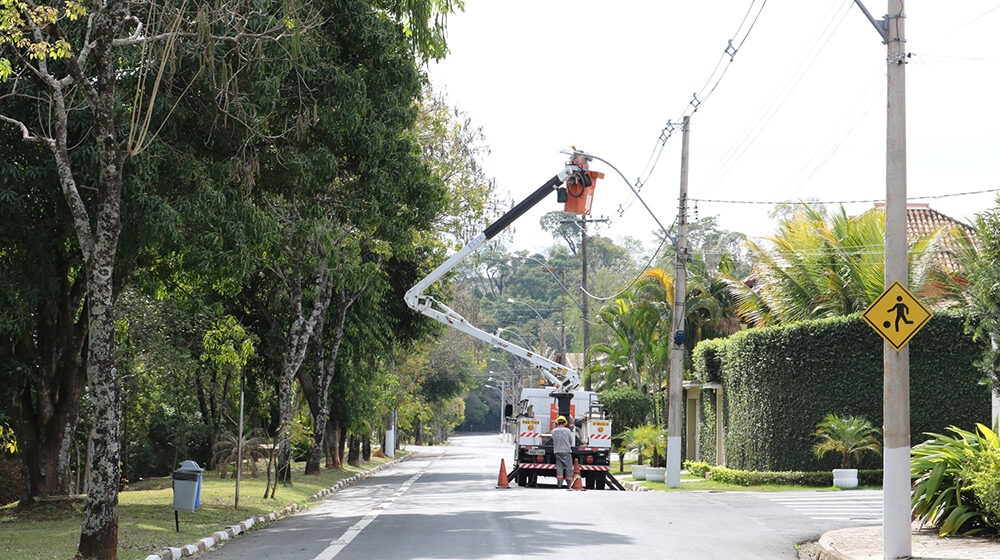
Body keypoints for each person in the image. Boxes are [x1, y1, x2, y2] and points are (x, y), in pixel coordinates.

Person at [551, 416, 575, 489]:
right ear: (565, 423)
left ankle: (559, 483)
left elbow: (553, 439)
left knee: (559, 467)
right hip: (566, 451)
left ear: (557, 423)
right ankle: (568, 483)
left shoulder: (554, 431)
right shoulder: (567, 431)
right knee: (568, 467)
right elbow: (570, 441)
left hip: (557, 451)